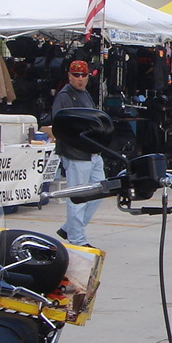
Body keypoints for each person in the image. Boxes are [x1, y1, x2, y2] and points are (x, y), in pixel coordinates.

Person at [53, 60, 104, 247]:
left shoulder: (85, 94)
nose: (80, 79)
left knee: (99, 192)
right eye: (76, 75)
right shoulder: (65, 96)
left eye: (83, 75)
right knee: (78, 197)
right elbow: (59, 125)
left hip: (92, 151)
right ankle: (77, 239)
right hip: (76, 153)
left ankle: (70, 229)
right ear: (69, 75)